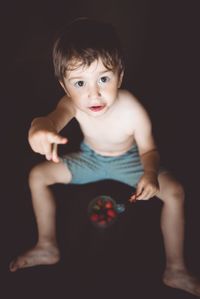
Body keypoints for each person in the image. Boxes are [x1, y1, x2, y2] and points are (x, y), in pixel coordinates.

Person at [9, 18, 200, 296]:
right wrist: (38, 130)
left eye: (103, 78)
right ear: (64, 86)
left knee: (176, 192)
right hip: (91, 159)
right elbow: (51, 120)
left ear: (119, 76)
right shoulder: (72, 104)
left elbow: (149, 150)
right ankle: (47, 244)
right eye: (79, 82)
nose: (93, 93)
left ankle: (176, 268)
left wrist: (148, 173)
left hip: (129, 161)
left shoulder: (132, 109)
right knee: (37, 176)